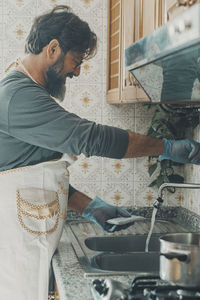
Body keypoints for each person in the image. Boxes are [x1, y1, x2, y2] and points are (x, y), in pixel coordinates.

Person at [1, 5, 200, 300]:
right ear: (53, 48)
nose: (78, 72)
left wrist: (89, 206)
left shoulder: (26, 89)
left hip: (31, 239)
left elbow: (33, 173)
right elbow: (91, 137)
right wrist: (166, 148)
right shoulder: (17, 95)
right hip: (18, 247)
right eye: (76, 60)